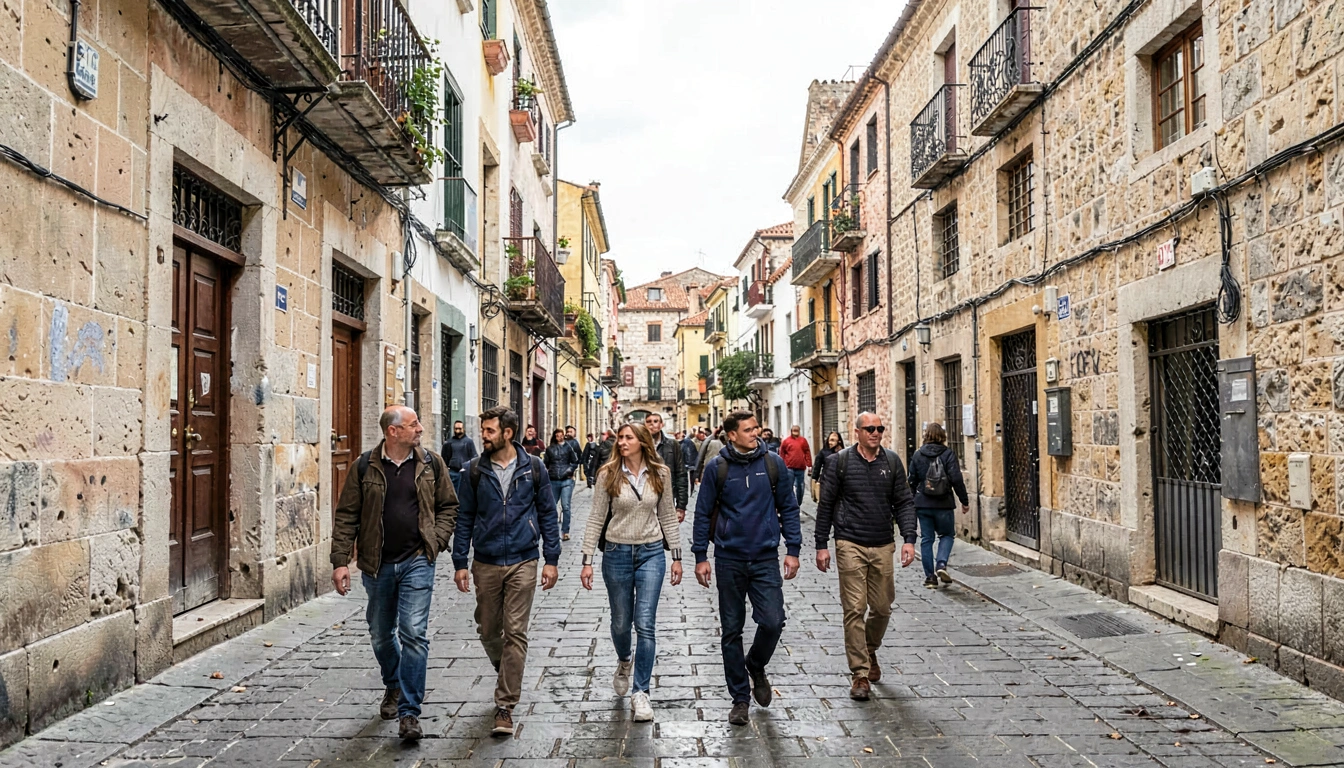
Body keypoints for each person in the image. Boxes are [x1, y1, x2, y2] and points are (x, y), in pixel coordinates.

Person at [330, 406, 458, 741]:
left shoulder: (431, 463)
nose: (420, 428)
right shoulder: (364, 466)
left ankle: (409, 712)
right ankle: (394, 684)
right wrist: (341, 560)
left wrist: (438, 539)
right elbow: (347, 515)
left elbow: (449, 505)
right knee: (380, 633)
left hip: (418, 559)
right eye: (414, 424)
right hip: (377, 563)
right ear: (393, 432)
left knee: (414, 632)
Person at [452, 407, 561, 736]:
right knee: (488, 631)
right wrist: (460, 562)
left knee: (515, 633)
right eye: (483, 430)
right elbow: (463, 518)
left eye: (489, 430)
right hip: (485, 562)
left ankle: (505, 706)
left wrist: (551, 559)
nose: (483, 435)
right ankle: (507, 670)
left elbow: (547, 515)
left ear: (508, 433)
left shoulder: (534, 468)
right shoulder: (472, 471)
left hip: (523, 560)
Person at [692, 411, 801, 726]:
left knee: (773, 621)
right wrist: (701, 555)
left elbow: (789, 508)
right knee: (731, 630)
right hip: (729, 558)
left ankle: (756, 664)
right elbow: (702, 514)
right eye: (749, 429)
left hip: (765, 557)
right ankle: (739, 699)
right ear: (732, 435)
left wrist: (792, 549)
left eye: (757, 428)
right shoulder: (718, 468)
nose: (756, 432)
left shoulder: (773, 463)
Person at [579, 423, 683, 721]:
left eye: (628, 437)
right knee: (622, 623)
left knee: (645, 623)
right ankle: (625, 660)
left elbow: (666, 514)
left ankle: (641, 692)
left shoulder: (660, 473)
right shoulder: (607, 473)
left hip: (651, 552)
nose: (621, 442)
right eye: (620, 438)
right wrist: (586, 561)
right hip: (616, 553)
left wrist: (676, 556)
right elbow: (597, 517)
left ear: (642, 442)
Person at [814, 412, 917, 701]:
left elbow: (904, 502)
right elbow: (827, 505)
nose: (875, 432)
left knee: (882, 608)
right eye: (869, 428)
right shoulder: (839, 463)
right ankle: (859, 674)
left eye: (879, 428)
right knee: (854, 609)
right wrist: (821, 544)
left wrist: (909, 539)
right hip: (850, 543)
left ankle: (870, 648)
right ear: (857, 431)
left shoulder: (892, 462)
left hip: (883, 543)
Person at [907, 422, 971, 588]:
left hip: (923, 503)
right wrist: (964, 500)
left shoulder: (918, 454)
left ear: (926, 435)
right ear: (943, 436)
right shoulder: (948, 454)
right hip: (943, 503)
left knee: (927, 539)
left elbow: (911, 480)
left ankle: (930, 578)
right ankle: (941, 564)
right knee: (947, 535)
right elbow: (956, 478)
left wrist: (911, 501)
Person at [644, 413, 688, 523]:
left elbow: (681, 474)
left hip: (666, 496)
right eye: (649, 422)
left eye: (655, 421)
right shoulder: (640, 446)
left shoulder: (672, 445)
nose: (652, 425)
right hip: (644, 497)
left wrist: (681, 506)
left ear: (661, 424)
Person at [544, 428, 581, 541]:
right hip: (553, 479)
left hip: (566, 480)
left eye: (561, 435)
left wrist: (569, 471)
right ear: (555, 436)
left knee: (566, 506)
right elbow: (546, 463)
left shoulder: (568, 447)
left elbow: (575, 461)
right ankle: (552, 529)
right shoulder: (550, 449)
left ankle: (565, 531)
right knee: (551, 506)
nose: (559, 437)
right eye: (557, 435)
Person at [441, 420, 478, 496]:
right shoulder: (448, 443)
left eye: (459, 428)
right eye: (456, 428)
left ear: (463, 429)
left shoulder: (469, 442)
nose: (457, 430)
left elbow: (474, 457)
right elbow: (444, 458)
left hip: (465, 473)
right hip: (452, 473)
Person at [778, 425, 812, 504]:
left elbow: (807, 452)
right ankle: (791, 502)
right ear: (791, 430)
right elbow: (782, 452)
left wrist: (809, 464)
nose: (795, 431)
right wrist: (782, 464)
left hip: (800, 467)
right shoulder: (786, 441)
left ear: (799, 430)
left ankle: (798, 503)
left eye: (797, 430)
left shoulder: (803, 441)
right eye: (794, 429)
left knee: (800, 486)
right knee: (789, 486)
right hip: (789, 467)